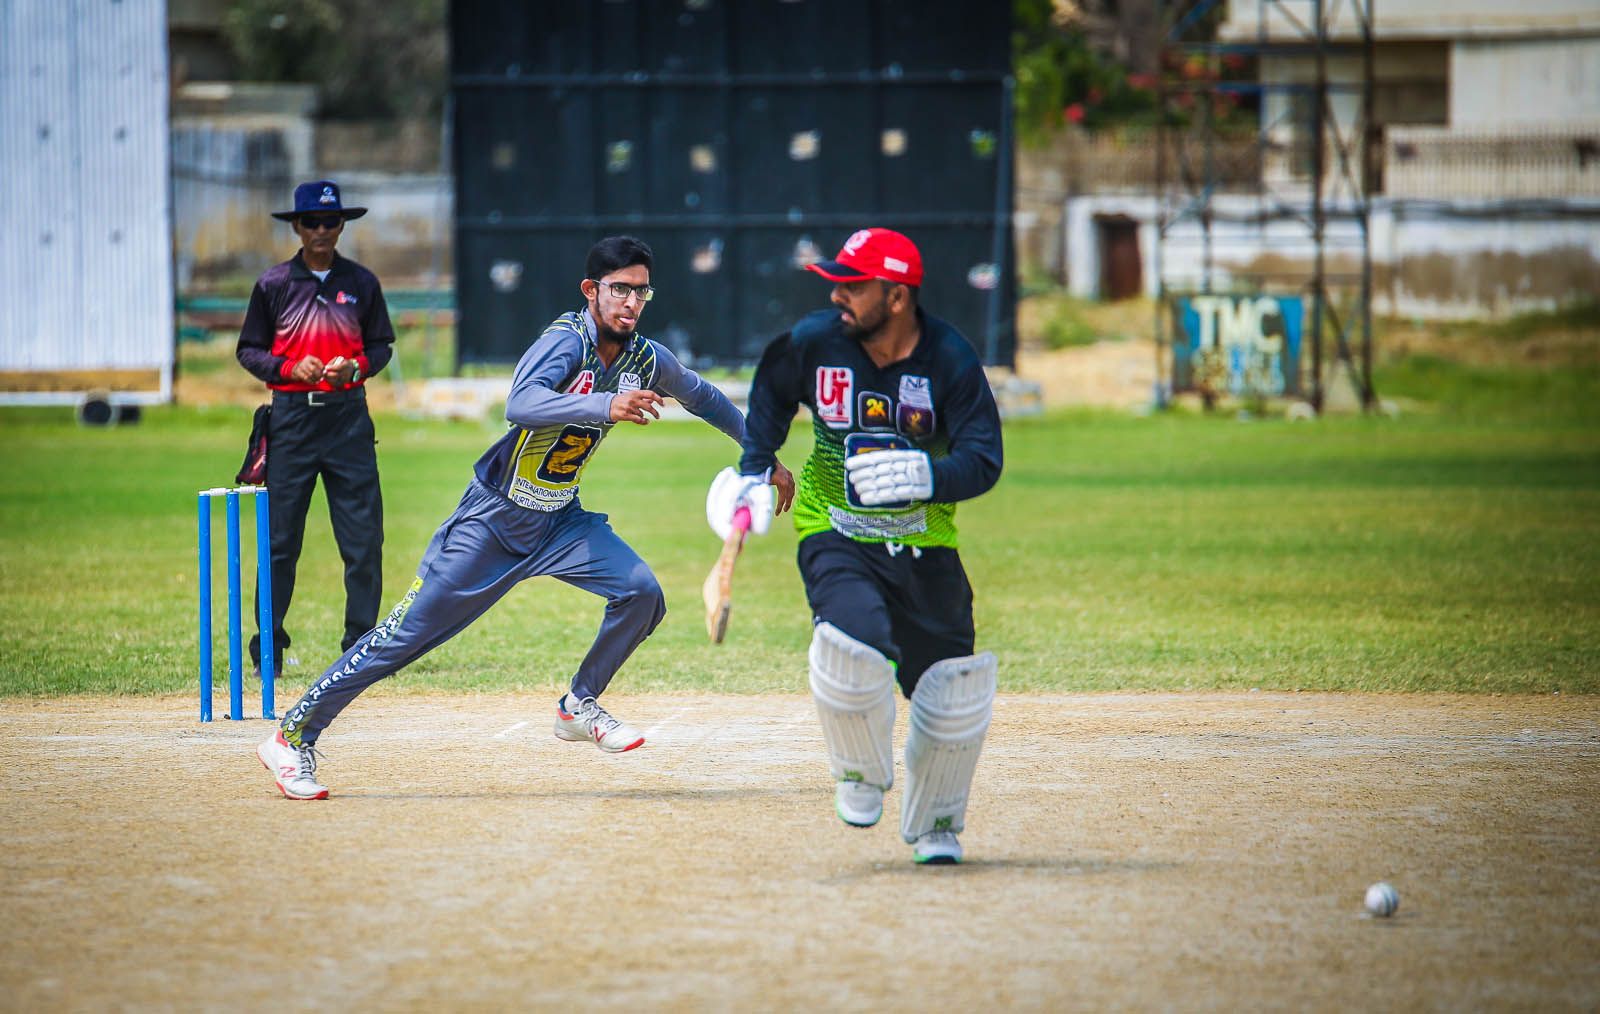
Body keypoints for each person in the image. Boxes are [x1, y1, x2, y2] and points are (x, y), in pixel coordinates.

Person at [258, 235, 794, 799]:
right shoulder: (566, 341)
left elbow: (703, 396)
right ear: (591, 290)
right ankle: (292, 737)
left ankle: (578, 704)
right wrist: (605, 404)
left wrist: (762, 455)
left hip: (560, 522)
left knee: (641, 593)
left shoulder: (644, 357)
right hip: (493, 521)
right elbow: (521, 403)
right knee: (402, 639)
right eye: (620, 290)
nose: (631, 303)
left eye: (641, 292)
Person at [706, 228, 1003, 864]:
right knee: (851, 646)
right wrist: (755, 469)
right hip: (834, 526)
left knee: (951, 690)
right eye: (837, 283)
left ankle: (936, 822)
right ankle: (860, 771)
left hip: (926, 540)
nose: (838, 295)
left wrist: (928, 476)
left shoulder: (950, 359)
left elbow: (985, 460)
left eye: (854, 285)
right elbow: (772, 391)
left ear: (897, 297)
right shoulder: (815, 343)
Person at [236, 180, 394, 677]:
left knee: (363, 541)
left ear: (342, 225)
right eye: (312, 222)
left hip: (348, 418)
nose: (321, 231)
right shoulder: (275, 284)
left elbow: (381, 346)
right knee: (280, 542)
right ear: (297, 227)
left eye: (330, 222)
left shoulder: (362, 283)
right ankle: (269, 649)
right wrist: (288, 368)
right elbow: (249, 350)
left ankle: (360, 646)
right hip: (292, 421)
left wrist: (357, 367)